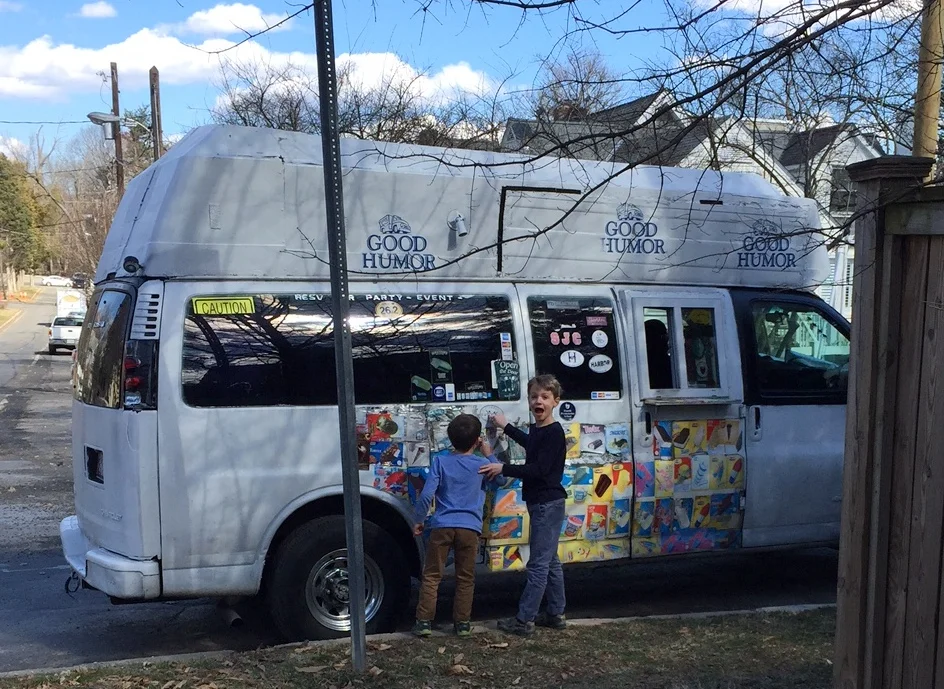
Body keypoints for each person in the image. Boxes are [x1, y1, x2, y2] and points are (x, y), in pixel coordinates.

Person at [480, 374, 567, 637]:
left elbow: (539, 469)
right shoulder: (540, 431)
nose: (538, 401)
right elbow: (531, 444)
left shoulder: (554, 432)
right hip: (542, 503)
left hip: (547, 504)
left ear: (556, 401)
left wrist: (503, 467)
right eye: (534, 397)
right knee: (550, 560)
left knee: (538, 565)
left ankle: (524, 620)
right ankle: (555, 613)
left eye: (545, 397)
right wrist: (506, 427)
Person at [412, 413, 497, 638]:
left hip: (442, 526)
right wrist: (489, 454)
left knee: (432, 575)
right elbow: (501, 478)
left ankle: (424, 622)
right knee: (465, 577)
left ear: (450, 439)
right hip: (470, 528)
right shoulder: (483, 465)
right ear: (477, 440)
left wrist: (419, 520)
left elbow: (426, 494)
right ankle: (462, 623)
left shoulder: (440, 462)